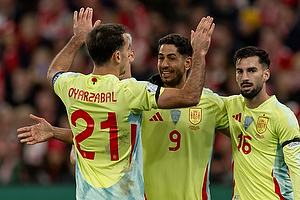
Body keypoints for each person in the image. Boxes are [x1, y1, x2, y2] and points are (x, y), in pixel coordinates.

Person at [19, 7, 215, 200]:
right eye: (127, 48)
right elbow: (190, 97)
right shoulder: (130, 92)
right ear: (118, 56)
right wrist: (199, 52)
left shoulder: (72, 86)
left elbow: (53, 71)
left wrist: (78, 38)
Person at [141, 33, 229, 200]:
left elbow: (242, 136)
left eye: (171, 58)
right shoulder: (143, 99)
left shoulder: (209, 102)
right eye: (161, 58)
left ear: (188, 62)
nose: (164, 64)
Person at [222, 46, 300, 200]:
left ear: (266, 75)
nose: (245, 77)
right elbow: (199, 100)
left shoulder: (282, 115)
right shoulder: (230, 106)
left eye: (251, 71)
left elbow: (297, 166)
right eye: (240, 71)